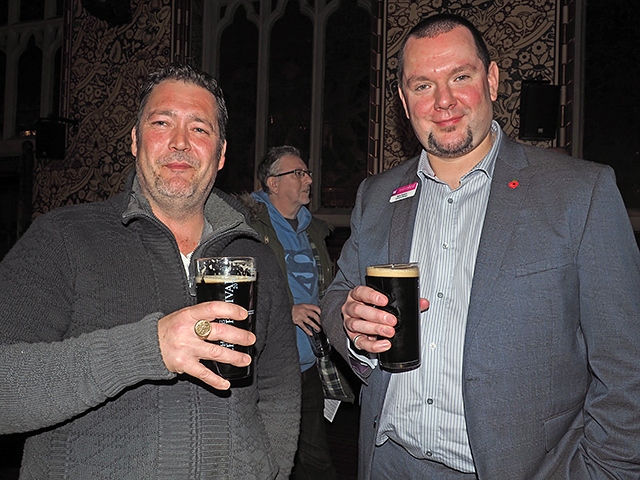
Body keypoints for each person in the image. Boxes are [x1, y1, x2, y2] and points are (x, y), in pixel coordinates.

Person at [321, 13, 640, 480]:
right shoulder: (378, 195)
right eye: (423, 85)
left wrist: (607, 470)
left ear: (491, 80)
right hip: (388, 462)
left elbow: (627, 364)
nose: (444, 101)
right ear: (403, 101)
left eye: (460, 77)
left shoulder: (579, 193)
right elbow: (338, 295)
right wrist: (350, 322)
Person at [0, 62, 300, 479]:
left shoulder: (257, 258)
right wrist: (148, 348)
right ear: (136, 141)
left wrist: (269, 469)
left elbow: (278, 388)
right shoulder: (60, 239)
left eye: (199, 129)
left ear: (221, 154)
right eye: (162, 123)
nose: (180, 142)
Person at [239, 145, 338, 480]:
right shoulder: (248, 226)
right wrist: (287, 310)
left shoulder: (314, 230)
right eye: (298, 173)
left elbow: (325, 289)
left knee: (315, 461)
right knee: (266, 455)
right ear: (273, 183)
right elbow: (237, 287)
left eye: (307, 172)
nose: (308, 178)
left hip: (307, 362)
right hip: (267, 364)